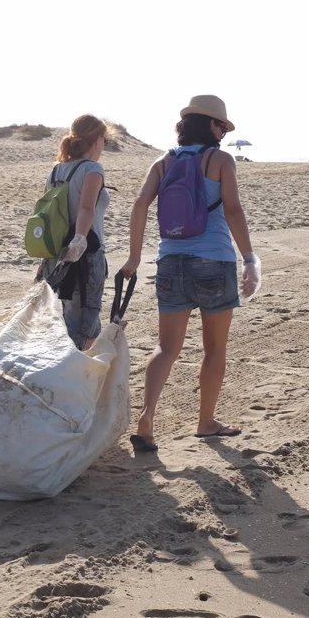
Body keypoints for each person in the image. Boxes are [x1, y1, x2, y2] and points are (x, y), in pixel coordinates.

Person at [120, 95, 260, 452]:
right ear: (211, 126)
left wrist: (135, 257)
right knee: (214, 348)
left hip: (170, 263)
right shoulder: (220, 160)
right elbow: (233, 209)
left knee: (166, 347)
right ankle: (206, 422)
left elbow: (139, 205)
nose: (224, 134)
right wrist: (249, 258)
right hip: (214, 262)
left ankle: (147, 417)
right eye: (222, 127)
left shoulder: (163, 161)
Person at [37, 114, 110, 350]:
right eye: (104, 140)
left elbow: (47, 212)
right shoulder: (93, 169)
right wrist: (79, 241)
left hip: (54, 254)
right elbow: (86, 208)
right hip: (83, 257)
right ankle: (77, 379)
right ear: (97, 140)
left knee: (60, 320)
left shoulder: (56, 171)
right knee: (84, 326)